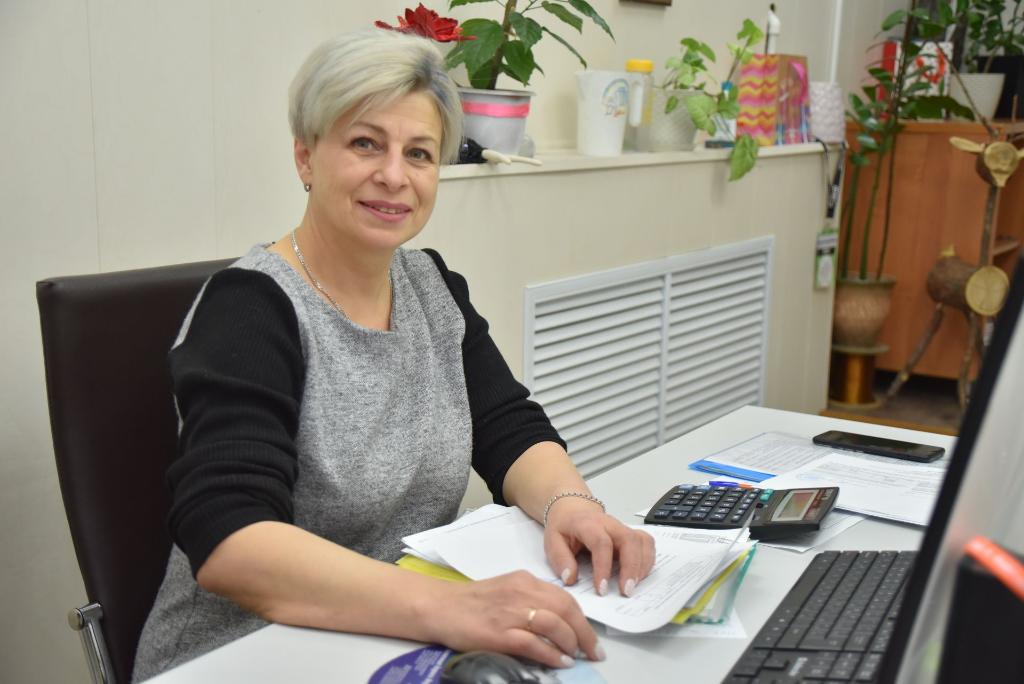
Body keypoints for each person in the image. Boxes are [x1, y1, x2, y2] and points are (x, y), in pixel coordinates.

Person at [132, 28, 655, 682]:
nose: (394, 176)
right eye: (364, 144)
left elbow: (508, 427)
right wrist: (451, 608)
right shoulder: (250, 308)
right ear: (305, 157)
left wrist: (570, 505)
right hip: (247, 653)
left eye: (419, 153)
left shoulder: (432, 287)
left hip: (394, 639)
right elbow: (229, 540)